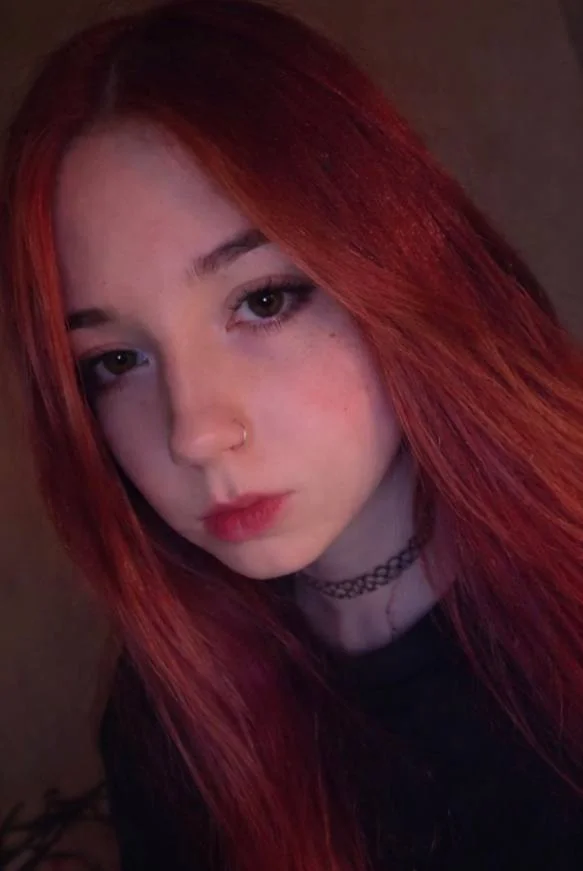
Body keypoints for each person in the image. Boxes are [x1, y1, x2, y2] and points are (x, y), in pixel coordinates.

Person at [2, 1, 583, 868]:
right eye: (116, 360)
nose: (196, 433)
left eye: (263, 301)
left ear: (396, 265)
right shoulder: (170, 719)